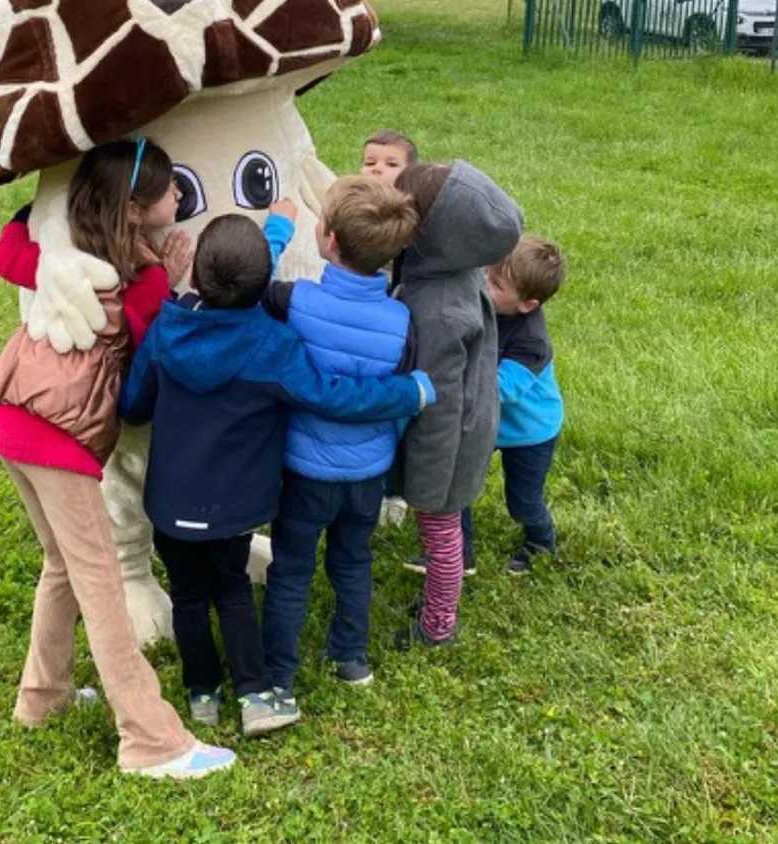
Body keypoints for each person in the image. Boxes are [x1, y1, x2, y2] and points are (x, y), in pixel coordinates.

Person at [120, 213, 434, 736]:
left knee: (190, 598)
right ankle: (255, 694)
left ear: (195, 275)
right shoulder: (274, 344)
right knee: (234, 593)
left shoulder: (167, 327)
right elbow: (329, 395)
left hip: (170, 502)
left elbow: (132, 405)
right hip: (235, 507)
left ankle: (202, 692)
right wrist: (410, 392)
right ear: (262, 283)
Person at [0, 138, 236, 780]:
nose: (180, 196)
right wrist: (173, 286)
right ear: (133, 209)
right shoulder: (145, 277)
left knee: (62, 565)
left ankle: (44, 697)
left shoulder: (68, 252)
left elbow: (8, 252)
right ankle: (150, 740)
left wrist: (44, 215)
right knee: (100, 587)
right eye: (171, 189)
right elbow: (155, 357)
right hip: (57, 438)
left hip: (9, 415)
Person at [260, 177, 420, 701]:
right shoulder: (401, 320)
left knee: (291, 571)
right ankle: (350, 656)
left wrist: (275, 231)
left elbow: (244, 284)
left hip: (304, 471)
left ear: (326, 238)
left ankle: (278, 675)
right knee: (353, 560)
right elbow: (394, 386)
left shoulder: (296, 300)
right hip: (368, 473)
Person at [392, 161, 522, 648]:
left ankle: (437, 624)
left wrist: (428, 482)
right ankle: (436, 601)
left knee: (442, 531)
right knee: (441, 529)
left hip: (453, 439)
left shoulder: (440, 308)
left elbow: (441, 405)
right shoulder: (458, 269)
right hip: (471, 420)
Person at [462, 236, 566, 575]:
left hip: (528, 433)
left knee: (523, 502)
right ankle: (458, 550)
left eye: (495, 283)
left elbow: (501, 390)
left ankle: (541, 539)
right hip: (484, 423)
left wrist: (450, 381)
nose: (483, 283)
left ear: (526, 305)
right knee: (455, 482)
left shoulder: (531, 340)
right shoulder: (484, 304)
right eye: (486, 273)